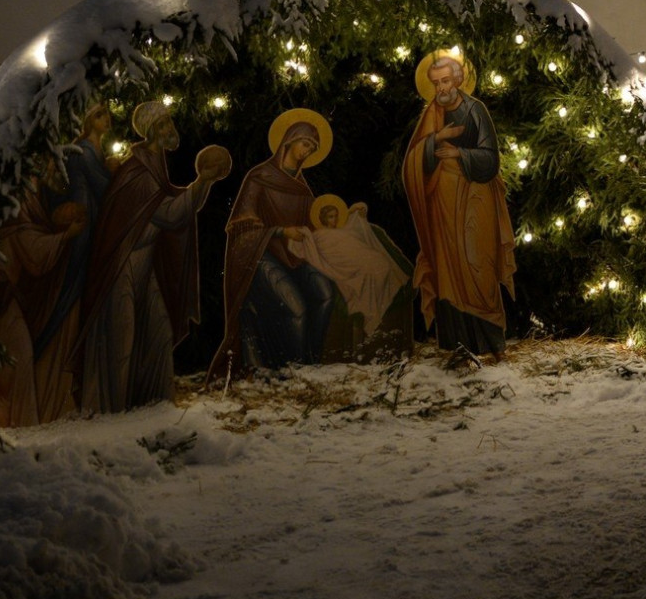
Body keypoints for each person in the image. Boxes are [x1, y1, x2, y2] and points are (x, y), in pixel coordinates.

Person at [76, 101, 229, 413]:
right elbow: (170, 214)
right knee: (122, 341)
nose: (169, 129)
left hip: (145, 266)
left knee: (158, 332)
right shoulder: (138, 171)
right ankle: (114, 412)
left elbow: (174, 200)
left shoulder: (154, 165)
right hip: (123, 267)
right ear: (150, 131)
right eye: (162, 125)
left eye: (168, 122)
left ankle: (156, 403)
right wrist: (201, 182)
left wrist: (205, 182)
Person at [402, 53, 516, 357]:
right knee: (448, 271)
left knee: (479, 264)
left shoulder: (476, 110)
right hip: (442, 205)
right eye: (436, 83)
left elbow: (491, 159)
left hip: (476, 202)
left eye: (446, 81)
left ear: (459, 80)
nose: (441, 88)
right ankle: (455, 346)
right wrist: (436, 138)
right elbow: (413, 161)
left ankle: (490, 343)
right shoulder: (431, 116)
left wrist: (459, 156)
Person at [213, 110, 337, 375]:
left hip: (294, 255)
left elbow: (312, 222)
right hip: (262, 255)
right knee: (297, 308)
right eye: (305, 144)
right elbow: (240, 225)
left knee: (325, 293)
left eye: (313, 149)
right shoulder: (259, 177)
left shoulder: (302, 188)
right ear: (290, 140)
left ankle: (311, 363)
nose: (307, 152)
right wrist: (280, 231)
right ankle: (293, 371)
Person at [0, 158, 85, 427]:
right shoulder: (18, 204)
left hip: (5, 292)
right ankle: (19, 423)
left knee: (16, 358)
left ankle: (19, 421)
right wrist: (66, 236)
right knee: (17, 356)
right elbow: (32, 250)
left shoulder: (32, 203)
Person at [33, 103, 113, 418]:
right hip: (84, 226)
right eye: (98, 115)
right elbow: (103, 187)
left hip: (94, 222)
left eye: (107, 115)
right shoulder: (83, 151)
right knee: (72, 293)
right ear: (86, 121)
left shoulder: (96, 151)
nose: (105, 119)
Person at [297, 196, 412, 355]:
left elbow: (355, 221)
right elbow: (318, 251)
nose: (335, 219)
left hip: (359, 257)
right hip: (346, 265)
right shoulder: (318, 235)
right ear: (322, 218)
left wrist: (357, 207)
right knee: (368, 272)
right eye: (331, 216)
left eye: (336, 215)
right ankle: (370, 313)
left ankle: (374, 307)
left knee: (381, 264)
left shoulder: (342, 230)